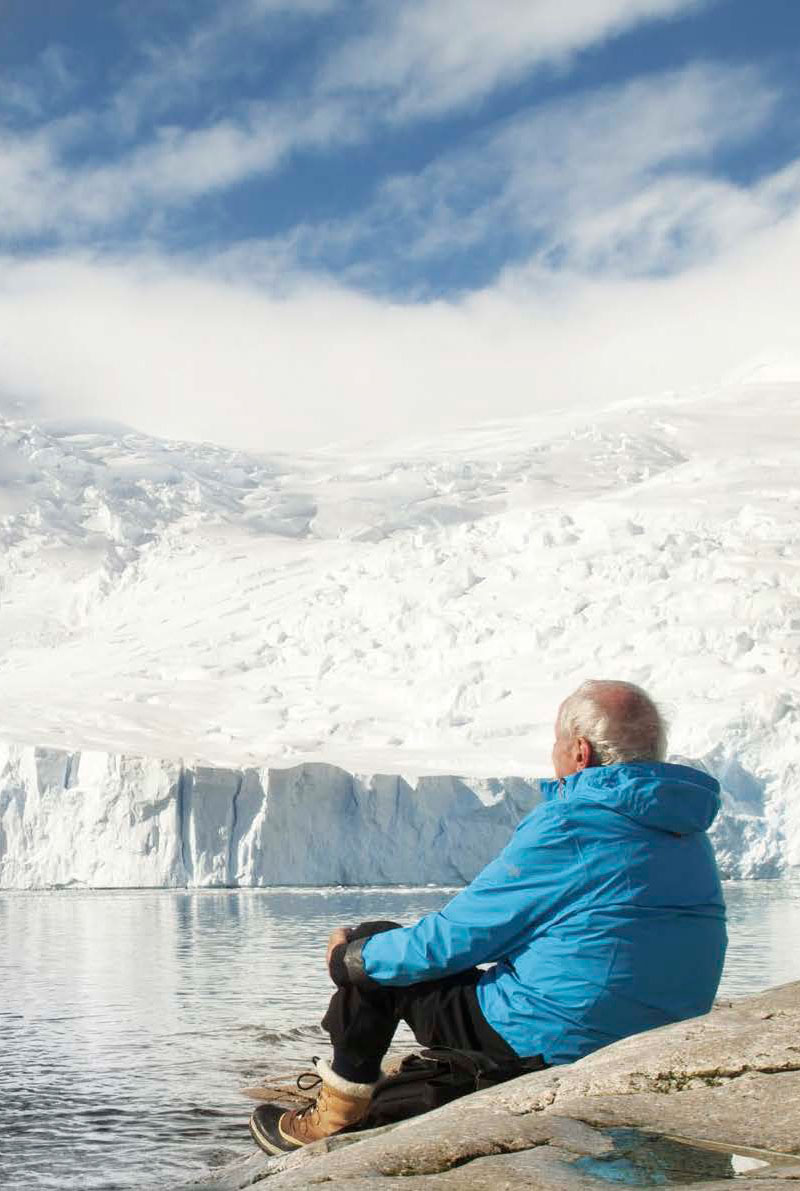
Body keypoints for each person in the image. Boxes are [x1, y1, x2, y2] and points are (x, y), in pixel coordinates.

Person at [250, 679, 727, 1155]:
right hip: (655, 1039)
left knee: (374, 949)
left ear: (580, 752)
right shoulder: (684, 827)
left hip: (557, 1041)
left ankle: (331, 1119)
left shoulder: (571, 824)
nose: (554, 753)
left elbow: (456, 939)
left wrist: (348, 960)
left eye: (557, 742)